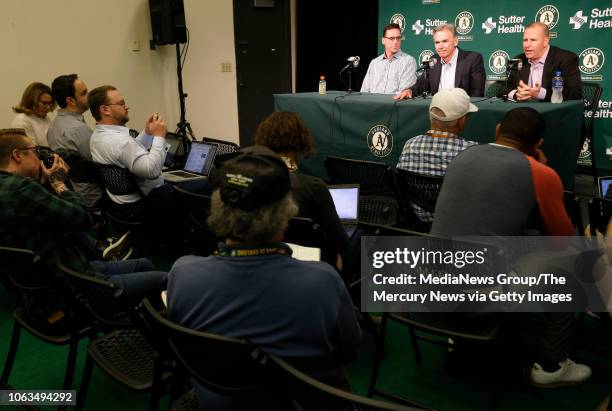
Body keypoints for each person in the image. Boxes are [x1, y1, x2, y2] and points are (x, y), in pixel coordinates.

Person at [167, 146, 362, 409]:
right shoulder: (323, 282)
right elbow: (350, 351)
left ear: (218, 208)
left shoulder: (182, 274)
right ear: (284, 215)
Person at [431, 108, 591, 388]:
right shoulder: (541, 173)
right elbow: (562, 239)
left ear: (496, 130)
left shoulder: (463, 156)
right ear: (538, 144)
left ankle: (458, 335)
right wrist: (543, 170)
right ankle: (551, 366)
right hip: (474, 299)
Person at [0, 129, 167, 329]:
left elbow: (50, 218)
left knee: (145, 264)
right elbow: (83, 218)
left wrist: (44, 186)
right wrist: (59, 183)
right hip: (75, 289)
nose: (39, 157)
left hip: (50, 283)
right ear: (17, 155)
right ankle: (157, 335)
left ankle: (143, 325)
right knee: (164, 279)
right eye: (34, 151)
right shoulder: (22, 189)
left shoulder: (9, 188)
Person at [88, 85, 184, 253]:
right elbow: (152, 170)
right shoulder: (120, 141)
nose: (126, 107)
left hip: (119, 203)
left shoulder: (97, 137)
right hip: (143, 203)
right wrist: (160, 137)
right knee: (196, 188)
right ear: (105, 109)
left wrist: (147, 133)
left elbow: (130, 152)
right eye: (121, 103)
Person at [254, 111, 349, 269]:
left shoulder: (252, 181)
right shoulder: (314, 187)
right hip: (312, 268)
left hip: (262, 263)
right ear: (301, 143)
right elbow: (341, 242)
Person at [396, 88, 478, 223]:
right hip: (455, 224)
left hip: (418, 221)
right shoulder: (471, 151)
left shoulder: (410, 145)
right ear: (461, 121)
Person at [47, 74, 103, 208]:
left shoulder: (53, 127)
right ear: (71, 100)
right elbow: (102, 162)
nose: (89, 96)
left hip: (72, 193)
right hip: (95, 195)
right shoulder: (78, 129)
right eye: (84, 93)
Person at [400, 24, 485, 99]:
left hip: (462, 112)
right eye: (437, 42)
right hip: (437, 111)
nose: (440, 46)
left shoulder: (472, 59)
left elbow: (477, 94)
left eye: (445, 41)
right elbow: (421, 85)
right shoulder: (434, 60)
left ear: (455, 41)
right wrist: (410, 91)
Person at [508, 22, 581, 102]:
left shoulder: (566, 59)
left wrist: (541, 94)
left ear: (545, 41)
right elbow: (505, 88)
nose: (527, 45)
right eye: (525, 40)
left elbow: (574, 93)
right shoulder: (518, 60)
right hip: (524, 111)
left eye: (533, 40)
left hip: (553, 112)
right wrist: (517, 94)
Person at [360, 23, 417, 98]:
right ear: (383, 40)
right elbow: (364, 91)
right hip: (372, 105)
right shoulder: (374, 63)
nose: (395, 41)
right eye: (391, 38)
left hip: (394, 106)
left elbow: (403, 93)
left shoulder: (408, 61)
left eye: (398, 38)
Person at [11, 82, 56, 147]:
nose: (48, 107)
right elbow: (30, 150)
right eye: (44, 103)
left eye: (49, 104)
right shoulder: (22, 120)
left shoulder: (45, 118)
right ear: (31, 101)